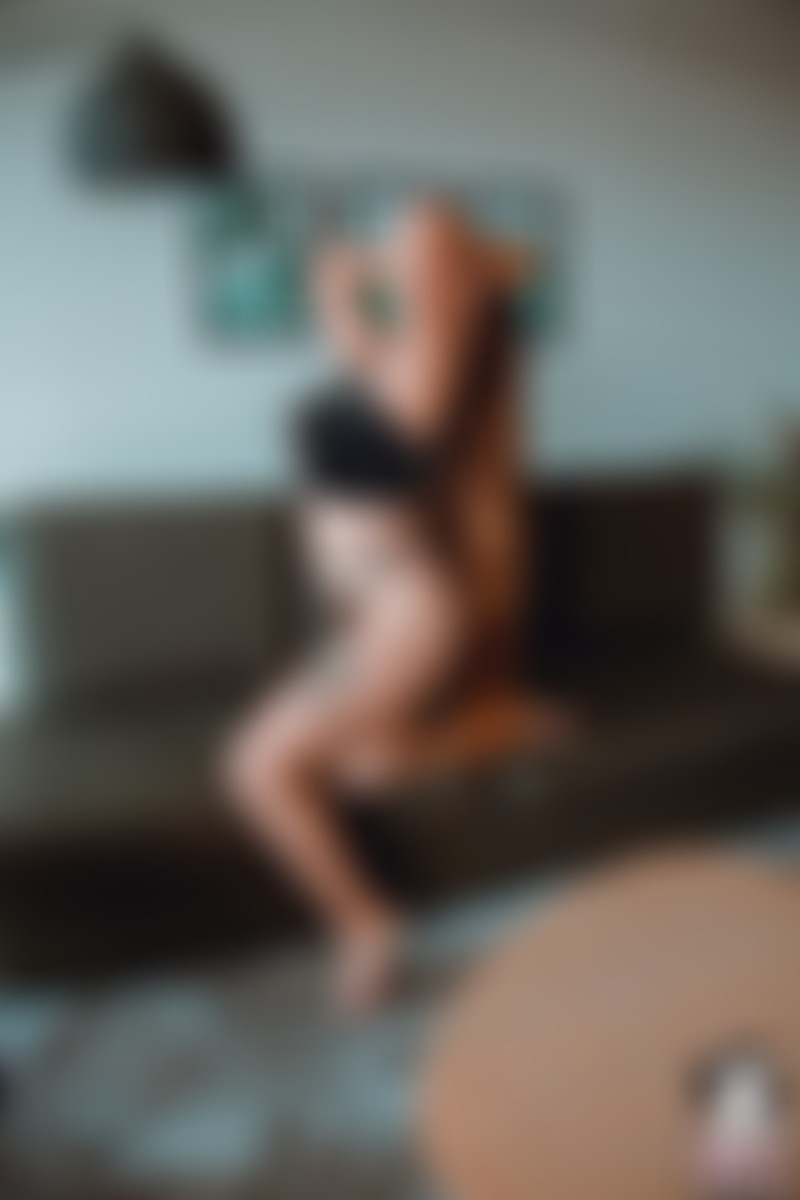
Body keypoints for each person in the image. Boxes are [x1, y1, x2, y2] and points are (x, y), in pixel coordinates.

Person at [223, 199, 564, 1013]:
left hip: (402, 613)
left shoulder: (434, 364)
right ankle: (468, 735)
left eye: (421, 251)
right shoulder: (396, 362)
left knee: (255, 769)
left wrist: (451, 261)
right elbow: (344, 324)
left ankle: (366, 924)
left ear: (454, 283)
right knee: (364, 770)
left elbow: (431, 238)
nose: (401, 243)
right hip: (371, 613)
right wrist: (339, 285)